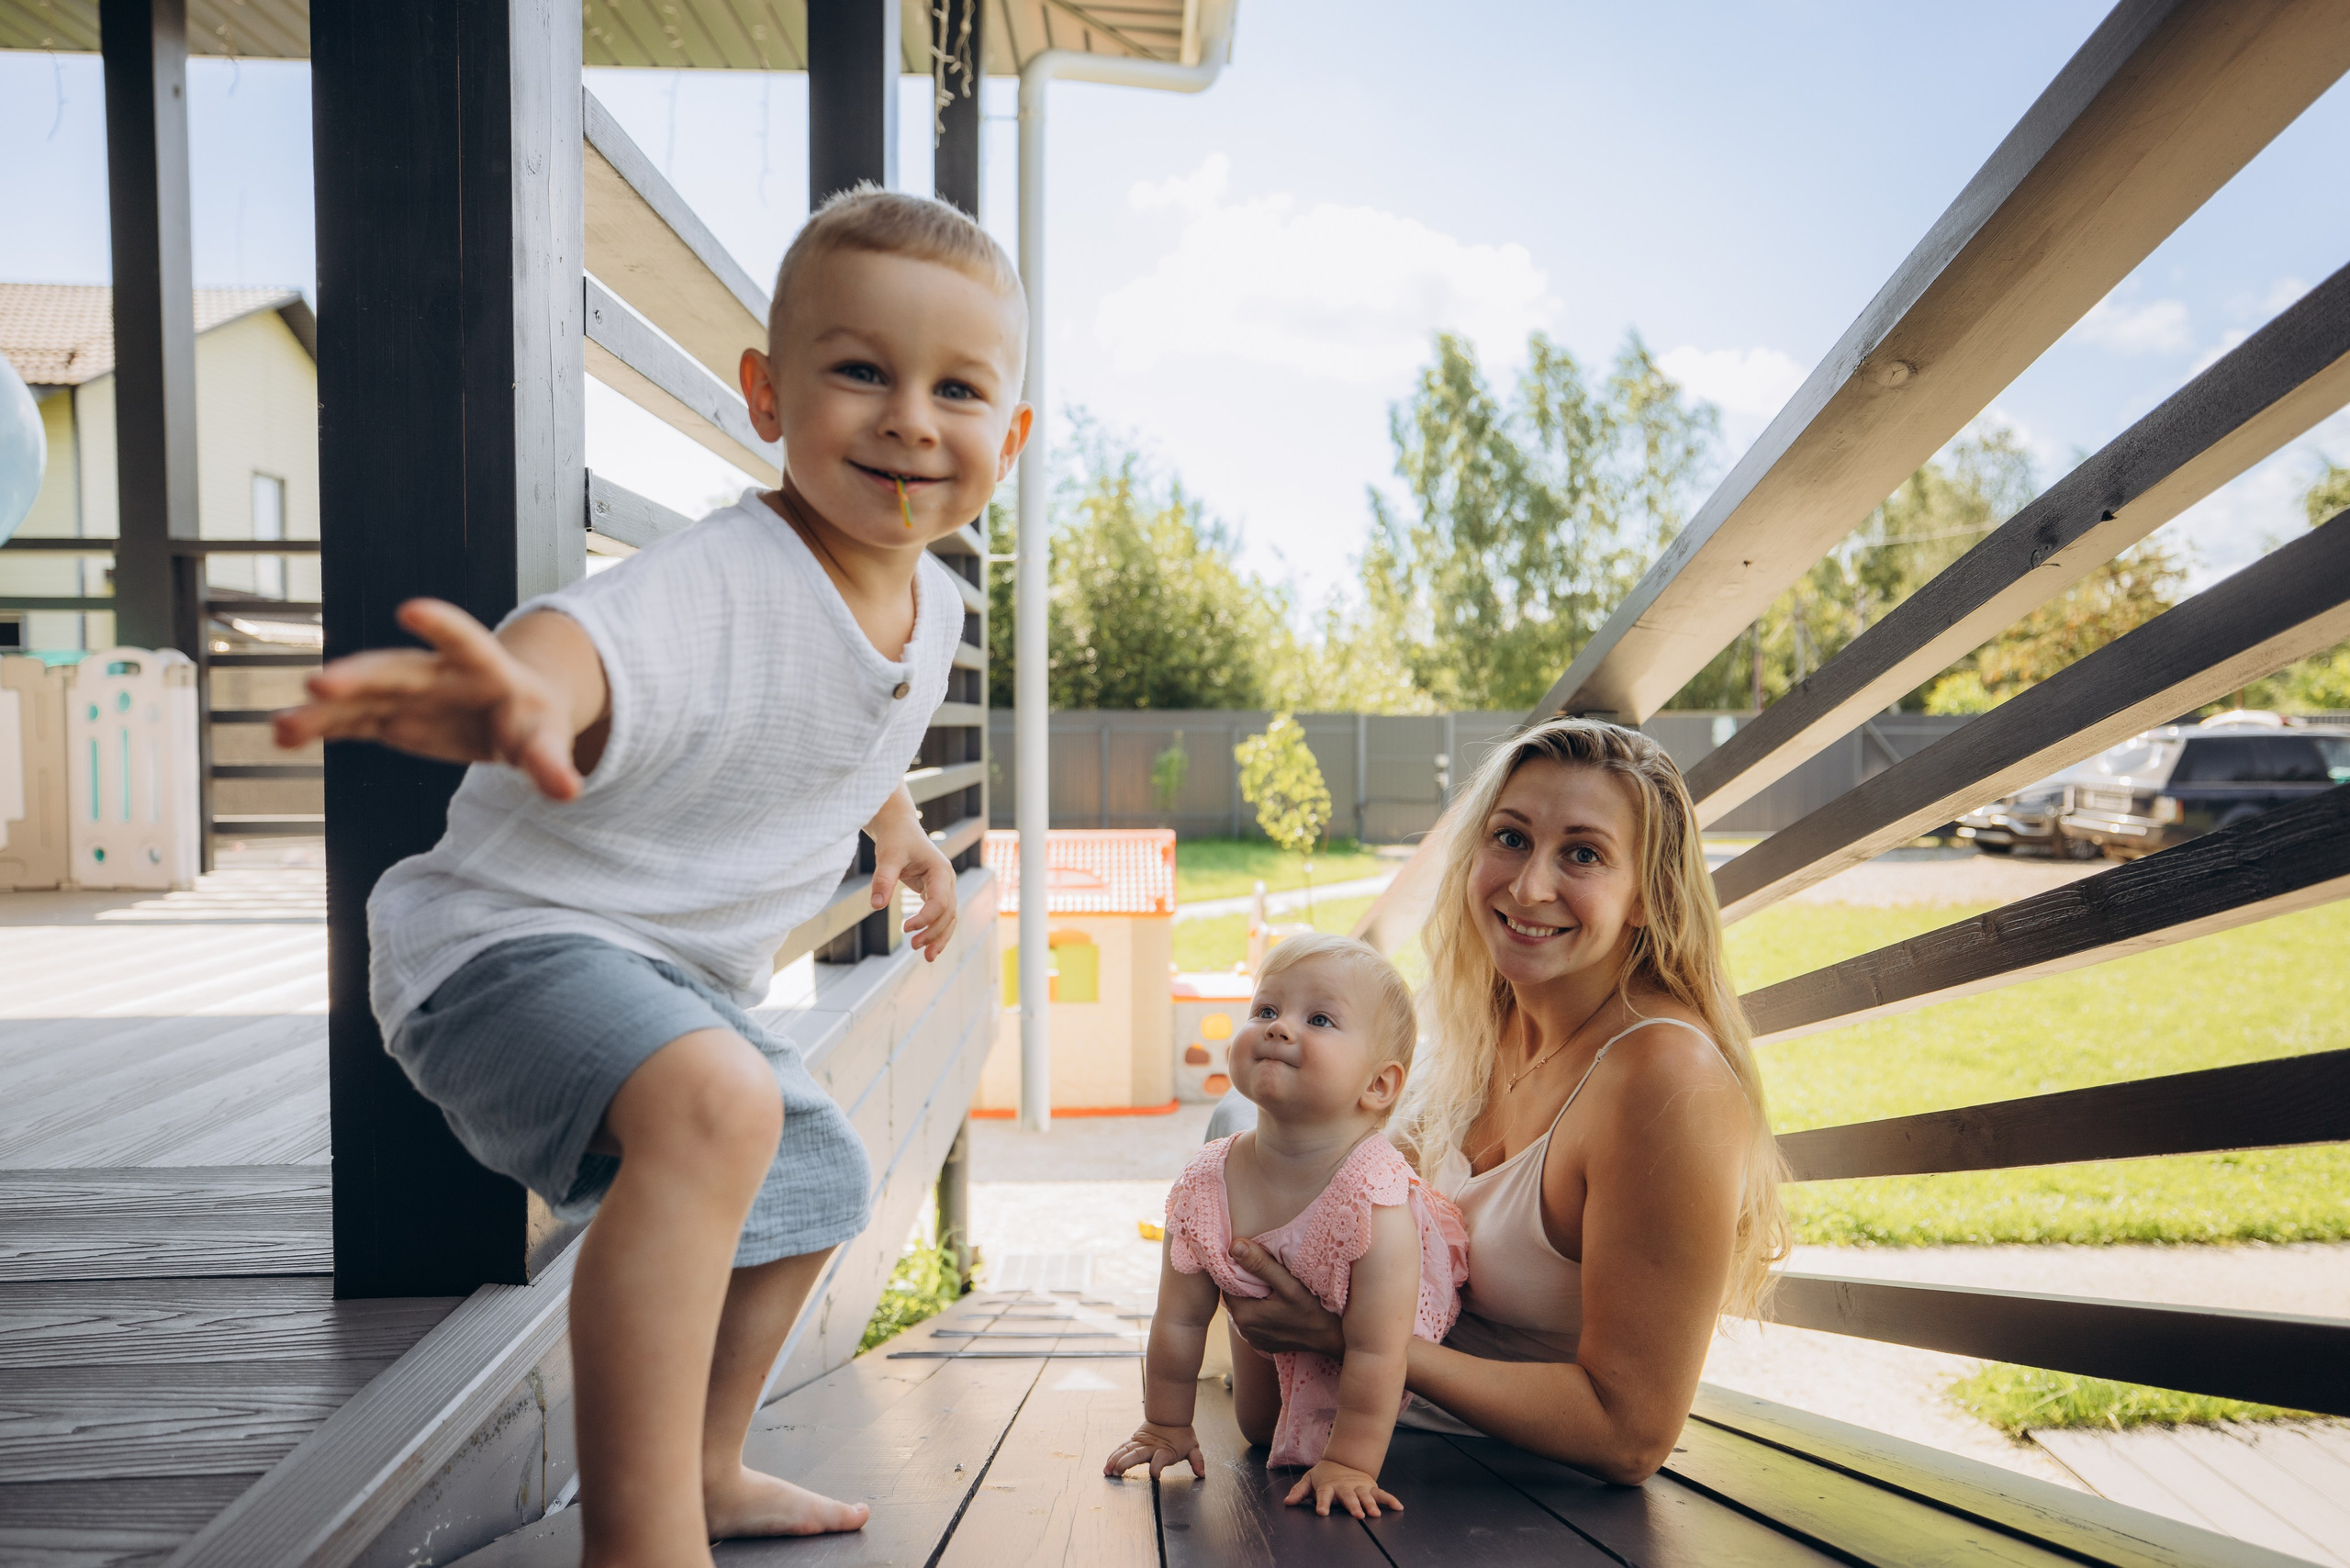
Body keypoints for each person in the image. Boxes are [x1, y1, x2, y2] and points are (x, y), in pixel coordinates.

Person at [273, 188, 1032, 1567]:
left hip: (669, 982)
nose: (912, 418)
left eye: (957, 388)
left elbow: (848, 721)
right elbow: (595, 642)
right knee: (723, 1100)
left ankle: (706, 1467)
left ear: (1011, 438)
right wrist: (517, 690)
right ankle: (640, 1540)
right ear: (766, 393)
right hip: (498, 951)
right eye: (861, 370)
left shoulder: (936, 611)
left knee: (817, 1175)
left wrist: (905, 835)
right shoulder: (723, 575)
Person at [1217, 719, 1787, 1484]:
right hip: (1363, 1437)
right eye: (1510, 838)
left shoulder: (1665, 1080)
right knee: (1240, 1122)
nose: (1528, 886)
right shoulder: (1486, 1022)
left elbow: (1631, 1435)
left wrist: (1347, 1338)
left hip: (1506, 1486)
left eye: (1582, 854)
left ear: (1648, 895)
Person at [1105, 935, 1469, 1518]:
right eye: (1266, 1011)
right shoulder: (1208, 1182)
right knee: (1257, 1428)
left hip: (1382, 1387)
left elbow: (1379, 1351)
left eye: (1319, 1018)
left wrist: (1351, 1462)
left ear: (1378, 1084)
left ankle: (1346, 1451)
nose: (1279, 1028)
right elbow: (1178, 1317)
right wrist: (1164, 1423)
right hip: (1274, 1347)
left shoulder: (1375, 1197)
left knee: (1342, 1433)